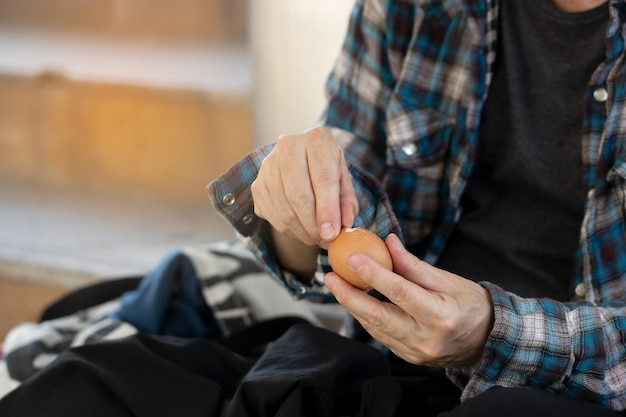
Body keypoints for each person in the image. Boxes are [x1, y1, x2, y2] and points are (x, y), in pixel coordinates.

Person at [208, 0, 626, 415]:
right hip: (390, 359)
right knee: (157, 372)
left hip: (574, 389)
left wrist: (494, 331)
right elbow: (336, 229)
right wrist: (299, 207)